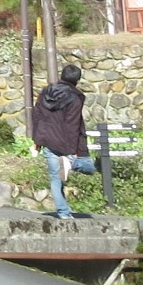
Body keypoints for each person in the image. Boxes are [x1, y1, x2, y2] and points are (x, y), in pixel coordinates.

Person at [28, 63, 96, 220]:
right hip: (65, 142)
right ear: (77, 80)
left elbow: (37, 115)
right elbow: (73, 124)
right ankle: (71, 163)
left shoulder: (46, 92)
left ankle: (64, 214)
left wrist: (37, 140)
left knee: (55, 178)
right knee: (90, 168)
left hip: (47, 139)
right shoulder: (75, 97)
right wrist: (72, 151)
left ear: (62, 76)